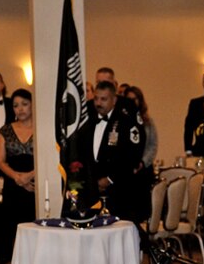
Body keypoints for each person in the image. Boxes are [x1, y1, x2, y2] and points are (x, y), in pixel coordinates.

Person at [61, 78, 152, 224]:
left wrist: (110, 179)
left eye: (103, 99)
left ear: (114, 100)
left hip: (119, 188)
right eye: (96, 98)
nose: (98, 103)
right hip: (91, 187)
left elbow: (132, 154)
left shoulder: (125, 119)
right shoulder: (86, 115)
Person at [0, 88, 39, 262]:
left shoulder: (42, 129)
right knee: (13, 228)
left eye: (24, 104)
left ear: (32, 105)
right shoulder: (5, 130)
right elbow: (0, 161)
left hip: (36, 185)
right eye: (16, 105)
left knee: (36, 227)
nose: (20, 109)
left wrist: (30, 175)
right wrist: (17, 177)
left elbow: (49, 156)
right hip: (13, 185)